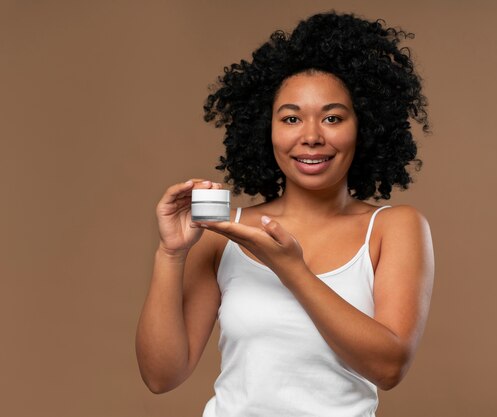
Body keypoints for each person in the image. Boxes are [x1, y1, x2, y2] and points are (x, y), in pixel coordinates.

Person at [136, 11, 435, 417]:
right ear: (266, 130)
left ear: (363, 126)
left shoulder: (393, 228)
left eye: (332, 117)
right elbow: (161, 376)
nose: (311, 136)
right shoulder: (226, 233)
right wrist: (170, 254)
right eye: (291, 118)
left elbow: (389, 366)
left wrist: (292, 270)